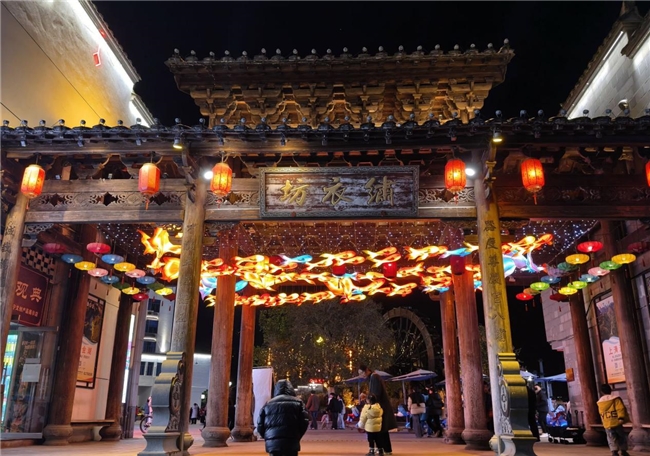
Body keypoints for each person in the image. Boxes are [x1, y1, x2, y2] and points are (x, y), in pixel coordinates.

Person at [257, 379, 309, 456]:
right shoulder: (298, 403)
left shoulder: (268, 404)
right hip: (291, 441)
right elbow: (304, 422)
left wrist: (268, 437)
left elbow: (260, 425)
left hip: (272, 443)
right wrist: (297, 435)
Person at [359, 364, 398, 455]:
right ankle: (385, 449)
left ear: (367, 370)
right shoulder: (373, 378)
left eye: (361, 373)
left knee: (380, 429)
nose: (361, 375)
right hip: (380, 407)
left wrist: (367, 397)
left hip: (380, 408)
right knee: (382, 429)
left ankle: (384, 449)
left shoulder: (374, 377)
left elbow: (376, 394)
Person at [597, 384, 630, 456]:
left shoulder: (600, 402)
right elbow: (620, 408)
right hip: (616, 421)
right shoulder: (615, 399)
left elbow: (601, 413)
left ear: (602, 392)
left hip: (607, 423)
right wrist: (621, 417)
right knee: (621, 436)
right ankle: (623, 450)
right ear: (610, 390)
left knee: (611, 437)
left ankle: (614, 451)